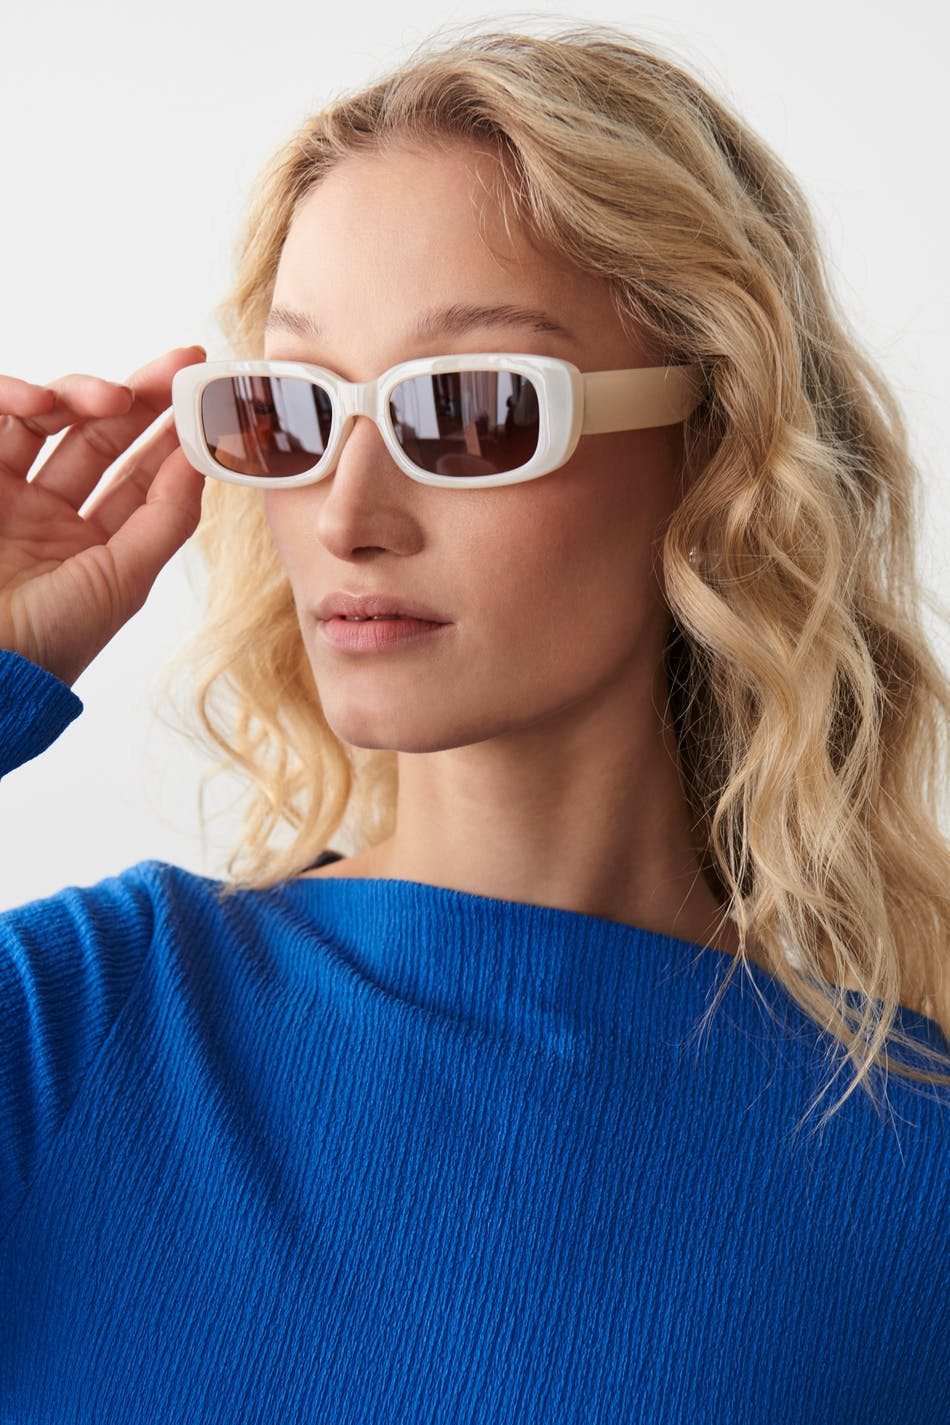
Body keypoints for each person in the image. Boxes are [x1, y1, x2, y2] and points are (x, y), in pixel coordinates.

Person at [1, 21, 948, 1422]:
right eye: (293, 411)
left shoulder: (911, 1177)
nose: (347, 515)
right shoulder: (76, 1023)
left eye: (469, 409)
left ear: (717, 445)